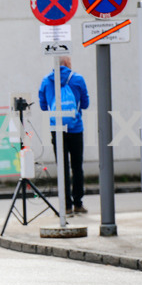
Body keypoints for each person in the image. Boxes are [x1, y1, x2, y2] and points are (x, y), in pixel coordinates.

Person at [38, 56, 90, 215]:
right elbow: (86, 104)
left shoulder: (46, 81)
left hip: (57, 128)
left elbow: (43, 106)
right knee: (77, 166)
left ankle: (65, 205)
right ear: (68, 63)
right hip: (75, 128)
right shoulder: (78, 79)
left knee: (62, 167)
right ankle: (78, 204)